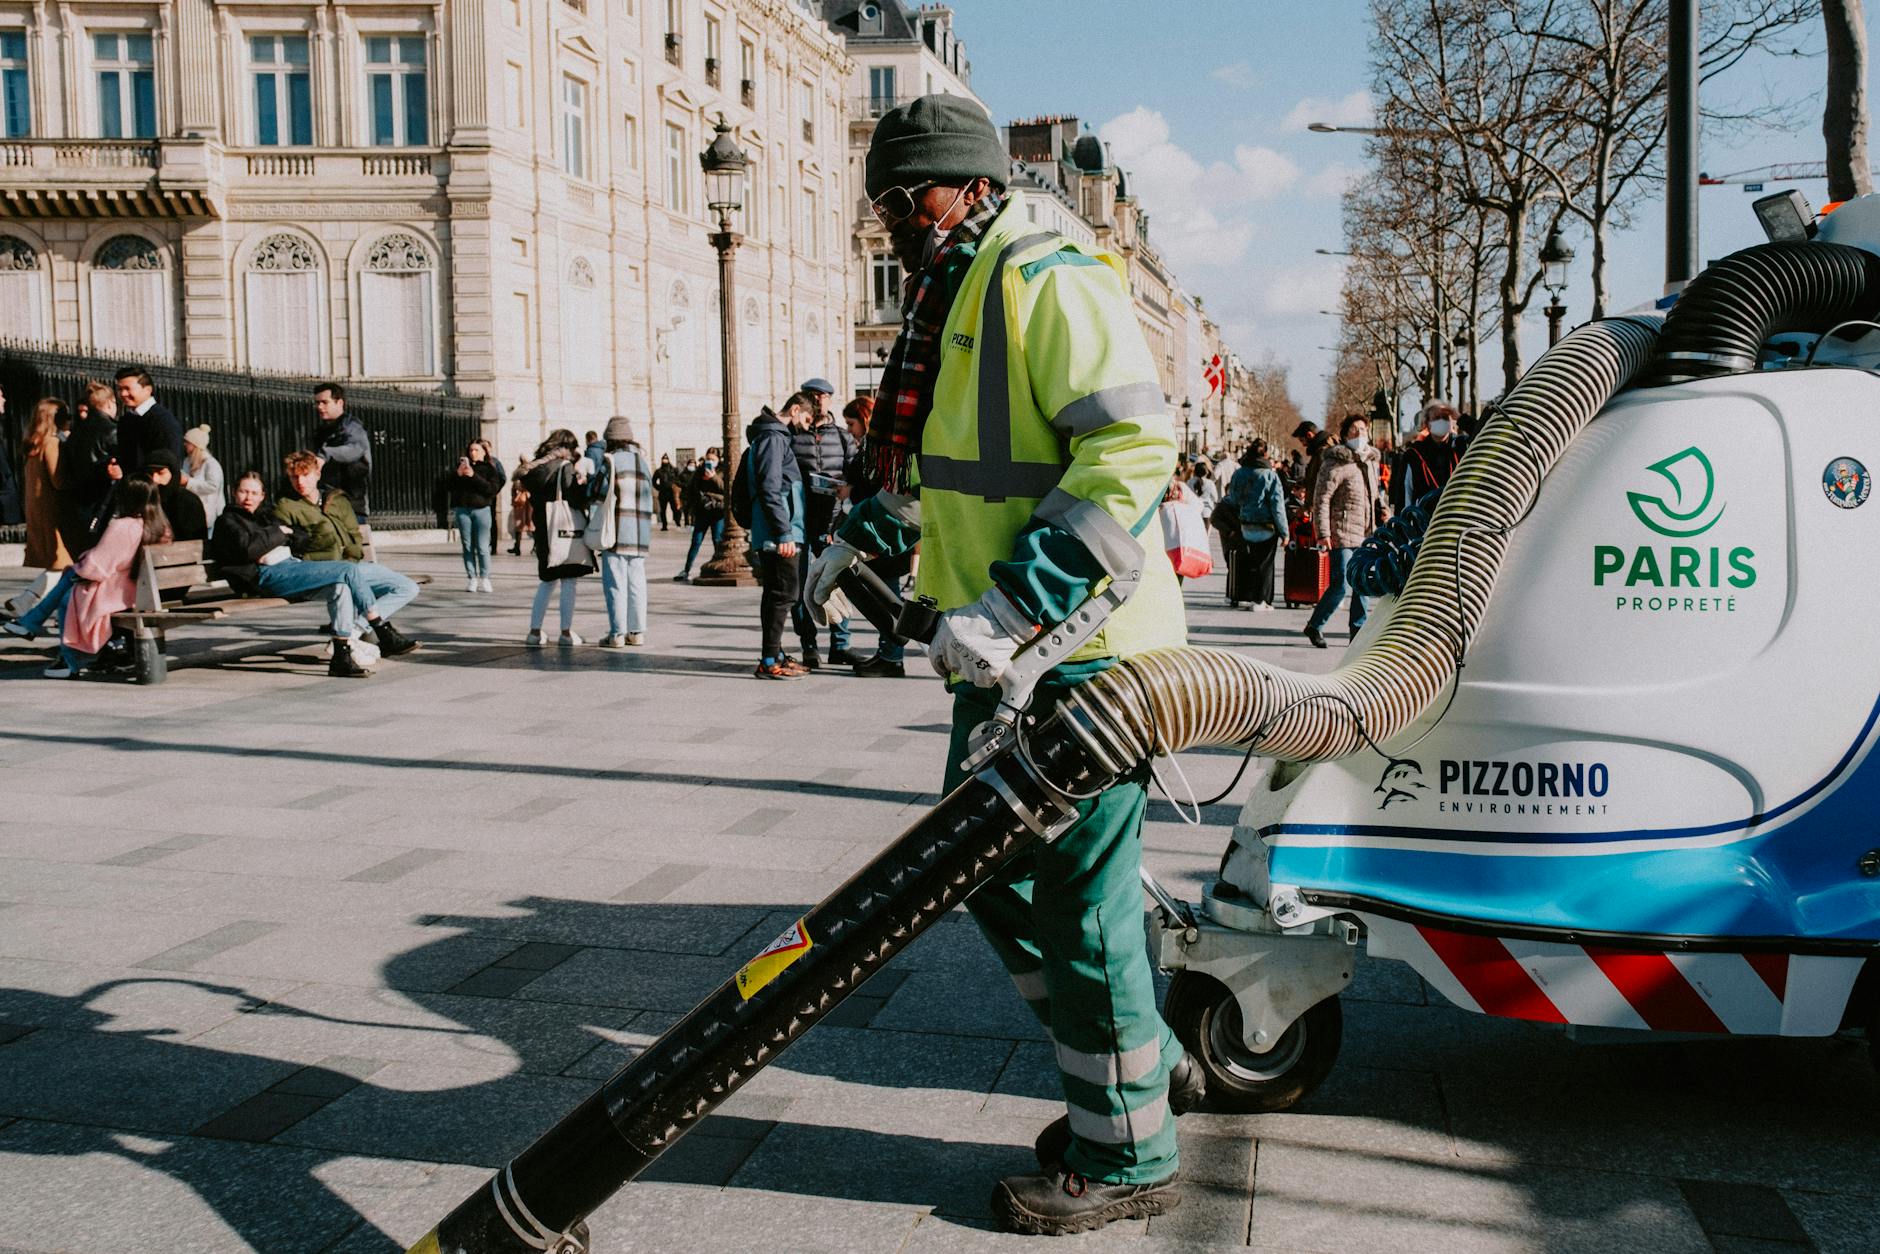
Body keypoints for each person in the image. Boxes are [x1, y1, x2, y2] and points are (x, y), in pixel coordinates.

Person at [802, 96, 1197, 1232]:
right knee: (988, 872)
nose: (890, 222)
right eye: (880, 203)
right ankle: (1138, 1068)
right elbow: (964, 466)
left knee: (1080, 911)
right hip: (1010, 660)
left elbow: (1129, 446)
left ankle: (1125, 1156)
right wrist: (872, 530)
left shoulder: (1039, 274)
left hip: (1080, 652)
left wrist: (1022, 599)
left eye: (901, 197)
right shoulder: (961, 288)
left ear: (962, 184)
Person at [210, 471, 418, 677]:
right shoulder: (228, 521)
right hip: (263, 577)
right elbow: (249, 549)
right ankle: (381, 630)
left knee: (341, 587)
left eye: (255, 493)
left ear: (262, 495)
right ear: (234, 492)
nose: (249, 498)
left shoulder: (264, 517)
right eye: (244, 492)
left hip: (288, 566)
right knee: (348, 570)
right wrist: (280, 533)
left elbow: (301, 537)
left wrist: (280, 535)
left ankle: (340, 657)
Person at [273, 450, 422, 656]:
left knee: (407, 587)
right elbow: (292, 548)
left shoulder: (336, 499)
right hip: (323, 570)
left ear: (317, 473)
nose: (300, 481)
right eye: (294, 476)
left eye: (305, 475)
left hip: (353, 565)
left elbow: (353, 535)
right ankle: (360, 638)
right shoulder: (285, 507)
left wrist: (351, 559)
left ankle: (354, 631)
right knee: (342, 586)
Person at [838, 395, 911, 678]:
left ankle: (892, 656)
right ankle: (888, 652)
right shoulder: (878, 444)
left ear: (865, 419)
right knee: (886, 593)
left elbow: (878, 487)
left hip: (883, 531)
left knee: (887, 595)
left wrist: (850, 494)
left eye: (851, 423)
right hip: (881, 529)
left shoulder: (879, 447)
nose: (849, 429)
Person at [790, 378, 858, 669]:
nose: (818, 400)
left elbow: (856, 473)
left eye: (823, 396)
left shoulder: (842, 437)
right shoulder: (794, 436)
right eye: (813, 396)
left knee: (838, 583)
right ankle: (809, 646)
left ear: (830, 399)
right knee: (801, 585)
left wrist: (845, 487)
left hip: (833, 522)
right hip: (801, 523)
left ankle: (840, 645)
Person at [1304, 413, 1387, 649]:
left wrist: (1384, 510)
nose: (1360, 434)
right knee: (1341, 583)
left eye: (1363, 430)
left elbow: (1375, 494)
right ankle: (1316, 624)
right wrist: (1323, 532)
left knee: (1361, 582)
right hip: (1340, 531)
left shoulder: (1371, 461)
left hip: (1365, 531)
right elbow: (1322, 498)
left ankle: (1357, 632)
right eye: (1354, 430)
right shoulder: (1335, 462)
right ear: (1344, 435)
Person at [746, 392, 813, 679]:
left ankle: (775, 653)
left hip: (779, 532)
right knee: (784, 594)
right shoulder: (774, 437)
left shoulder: (773, 436)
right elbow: (769, 486)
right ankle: (769, 659)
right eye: (807, 419)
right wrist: (784, 532)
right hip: (779, 535)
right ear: (795, 410)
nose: (807, 427)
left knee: (778, 594)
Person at [520, 429, 597, 646]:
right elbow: (575, 498)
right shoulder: (564, 468)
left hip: (543, 530)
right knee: (569, 582)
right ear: (565, 448)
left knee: (546, 580)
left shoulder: (535, 468)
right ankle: (566, 632)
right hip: (564, 530)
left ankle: (534, 632)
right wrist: (581, 484)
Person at [7, 399, 72, 619]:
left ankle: (26, 602)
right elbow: (58, 480)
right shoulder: (51, 443)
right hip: (54, 512)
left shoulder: (33, 443)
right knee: (64, 564)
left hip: (38, 510)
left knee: (62, 565)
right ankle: (27, 602)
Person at [594, 416, 654, 648]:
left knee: (615, 582)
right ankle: (637, 631)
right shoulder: (642, 462)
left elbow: (598, 493)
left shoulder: (611, 461)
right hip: (640, 531)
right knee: (637, 581)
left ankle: (617, 633)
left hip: (617, 529)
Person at [55, 382, 119, 557]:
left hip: (76, 503)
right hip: (101, 502)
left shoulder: (75, 432)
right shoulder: (112, 430)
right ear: (109, 403)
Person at [1224, 439, 1289, 611]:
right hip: (1266, 525)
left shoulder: (1239, 474)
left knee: (1250, 561)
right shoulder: (1270, 475)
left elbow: (1233, 498)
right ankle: (1262, 600)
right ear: (1266, 454)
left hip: (1246, 523)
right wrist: (1284, 532)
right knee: (1265, 565)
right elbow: (1277, 506)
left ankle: (1248, 595)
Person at [437, 440, 505, 592]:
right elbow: (446, 486)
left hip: (481, 510)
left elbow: (491, 489)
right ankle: (472, 577)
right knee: (467, 546)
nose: (473, 453)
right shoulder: (459, 468)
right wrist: (458, 474)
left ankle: (485, 577)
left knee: (482, 547)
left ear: (484, 452)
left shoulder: (489, 469)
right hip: (463, 510)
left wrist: (474, 476)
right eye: (471, 450)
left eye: (476, 450)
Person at [311, 382, 372, 519]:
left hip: (351, 504)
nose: (319, 407)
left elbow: (355, 449)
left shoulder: (352, 427)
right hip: (328, 501)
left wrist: (325, 455)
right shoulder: (322, 431)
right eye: (317, 403)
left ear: (339, 403)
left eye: (325, 402)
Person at [111, 367, 183, 480]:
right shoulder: (126, 420)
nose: (123, 394)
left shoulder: (162, 420)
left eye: (127, 388)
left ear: (148, 389)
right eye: (120, 389)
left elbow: (170, 463)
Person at [1395, 400, 1468, 509]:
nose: (1441, 421)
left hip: (1459, 515)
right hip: (1426, 519)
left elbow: (1484, 436)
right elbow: (1405, 494)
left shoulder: (1462, 447)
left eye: (1445, 417)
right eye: (1437, 418)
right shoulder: (1414, 454)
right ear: (1428, 424)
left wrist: (1460, 418)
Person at [674, 448, 725, 582]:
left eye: (713, 459)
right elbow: (692, 489)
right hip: (702, 511)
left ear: (718, 460)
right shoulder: (699, 471)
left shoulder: (723, 470)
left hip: (717, 511)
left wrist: (714, 477)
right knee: (696, 541)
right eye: (708, 459)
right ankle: (687, 569)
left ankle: (718, 567)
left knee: (717, 540)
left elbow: (726, 489)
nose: (710, 462)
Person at [136, 449, 208, 543]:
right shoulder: (142, 497)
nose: (155, 479)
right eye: (150, 473)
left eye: (161, 473)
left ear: (172, 473)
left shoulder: (187, 501)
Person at [181, 425, 226, 528]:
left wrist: (188, 482)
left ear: (195, 444)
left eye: (188, 442)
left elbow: (213, 486)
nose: (185, 445)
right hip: (192, 511)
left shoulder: (211, 464)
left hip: (209, 513)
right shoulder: (187, 461)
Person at [508, 451, 534, 555]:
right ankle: (533, 546)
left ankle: (517, 546)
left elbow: (515, 484)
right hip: (529, 498)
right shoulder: (532, 469)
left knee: (521, 523)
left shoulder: (519, 470)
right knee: (530, 522)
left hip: (522, 499)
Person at [651, 454, 679, 531]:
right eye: (663, 460)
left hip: (672, 492)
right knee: (663, 510)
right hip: (663, 492)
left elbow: (679, 479)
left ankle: (678, 523)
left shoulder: (674, 470)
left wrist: (676, 487)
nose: (665, 461)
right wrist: (658, 487)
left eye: (666, 459)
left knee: (675, 509)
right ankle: (664, 525)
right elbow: (653, 481)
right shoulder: (659, 471)